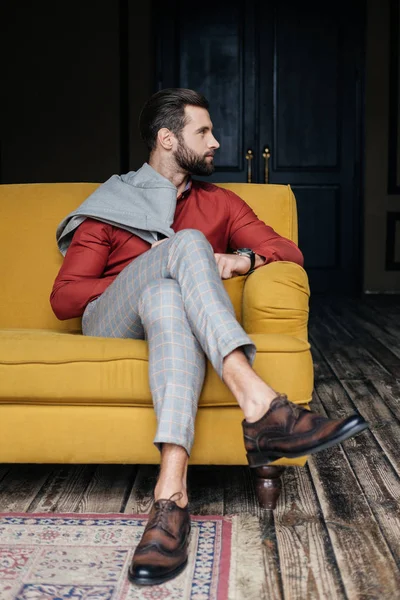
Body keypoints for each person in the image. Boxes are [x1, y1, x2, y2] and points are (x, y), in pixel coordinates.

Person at [50, 88, 368, 587]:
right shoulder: (112, 204)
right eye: (204, 132)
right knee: (179, 255)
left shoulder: (219, 203)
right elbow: (66, 300)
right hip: (109, 320)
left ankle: (170, 496)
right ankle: (262, 407)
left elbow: (287, 250)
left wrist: (241, 259)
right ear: (166, 138)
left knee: (165, 299)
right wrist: (159, 264)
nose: (217, 141)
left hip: (163, 321)